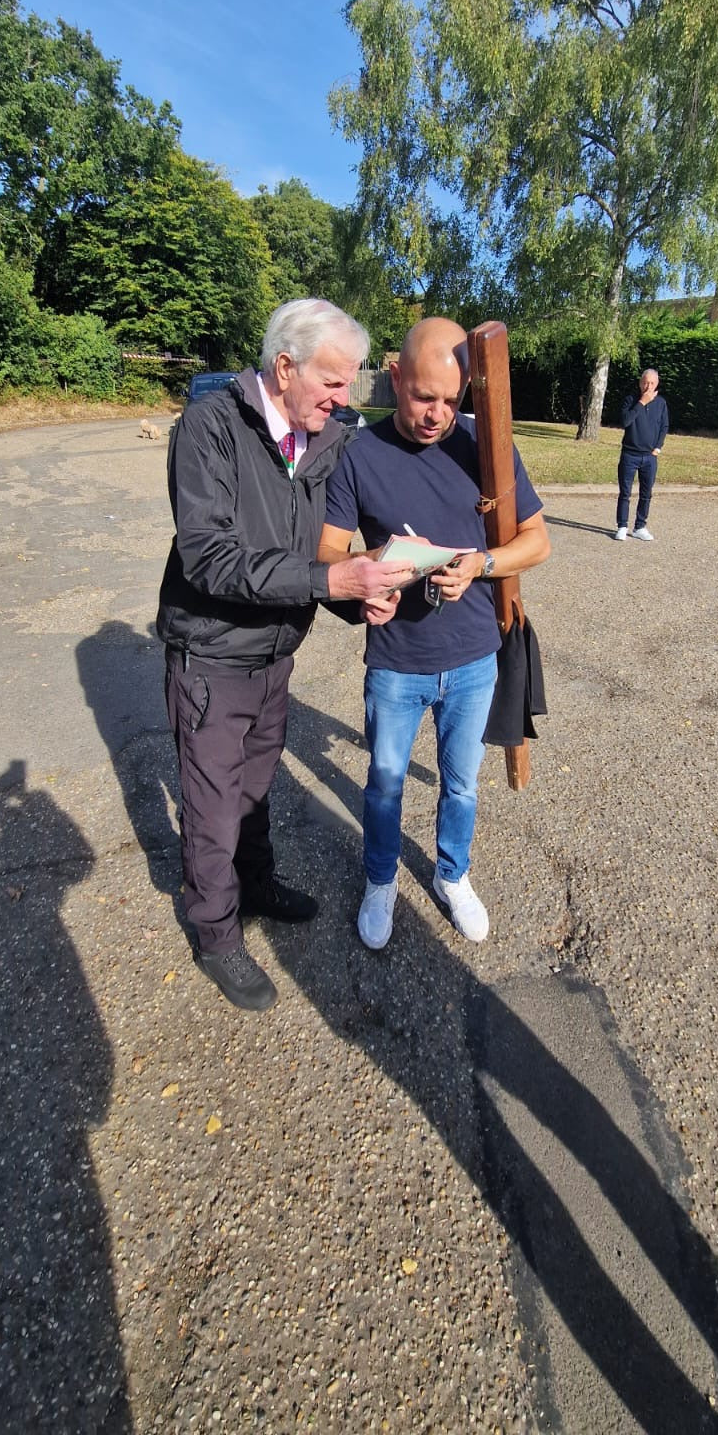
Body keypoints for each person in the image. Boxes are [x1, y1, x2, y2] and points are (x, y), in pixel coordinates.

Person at [156, 298, 415, 1012]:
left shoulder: (324, 440)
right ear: (283, 367)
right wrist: (330, 579)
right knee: (211, 805)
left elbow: (315, 556)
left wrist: (358, 594)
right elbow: (207, 557)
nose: (344, 400)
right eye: (333, 384)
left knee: (257, 786)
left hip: (276, 653)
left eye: (352, 384)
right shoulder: (209, 427)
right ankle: (214, 931)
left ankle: (257, 884)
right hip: (209, 653)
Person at [318, 316, 551, 951]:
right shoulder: (356, 454)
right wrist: (368, 585)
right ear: (395, 378)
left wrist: (482, 564)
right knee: (387, 781)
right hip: (395, 663)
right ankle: (380, 880)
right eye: (424, 396)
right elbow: (327, 552)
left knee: (462, 782)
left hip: (476, 660)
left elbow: (537, 541)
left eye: (452, 400)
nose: (436, 414)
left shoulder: (488, 446)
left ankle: (453, 875)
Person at [615, 368, 668, 542]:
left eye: (652, 383)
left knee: (646, 493)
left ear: (657, 384)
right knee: (625, 492)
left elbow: (664, 427)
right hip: (630, 454)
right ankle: (622, 526)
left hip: (649, 457)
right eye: (645, 382)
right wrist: (642, 402)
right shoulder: (630, 400)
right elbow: (625, 421)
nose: (648, 386)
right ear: (640, 383)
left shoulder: (661, 403)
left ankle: (640, 526)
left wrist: (658, 448)